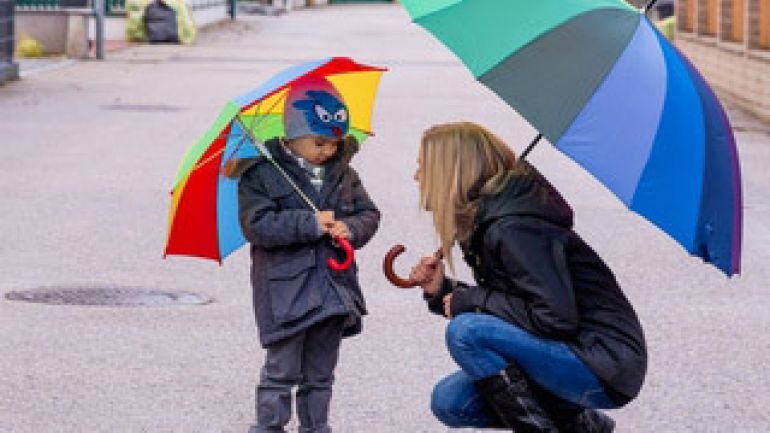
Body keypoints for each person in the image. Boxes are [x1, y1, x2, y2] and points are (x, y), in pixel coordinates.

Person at [408, 122, 647, 432]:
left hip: (603, 361)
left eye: (423, 167)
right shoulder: (490, 222)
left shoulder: (514, 228)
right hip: (571, 350)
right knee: (450, 401)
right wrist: (442, 290)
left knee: (466, 331)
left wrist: (470, 300)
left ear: (450, 173)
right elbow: (518, 305)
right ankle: (583, 426)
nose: (416, 177)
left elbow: (555, 318)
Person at [229, 77, 380, 433]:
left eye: (334, 142)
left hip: (334, 289)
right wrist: (308, 223)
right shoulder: (262, 174)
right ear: (292, 135)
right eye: (319, 142)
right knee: (281, 371)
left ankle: (317, 427)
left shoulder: (344, 174)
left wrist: (352, 228)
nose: (328, 150)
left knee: (321, 372)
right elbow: (257, 225)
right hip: (286, 292)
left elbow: (369, 213)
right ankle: (269, 427)